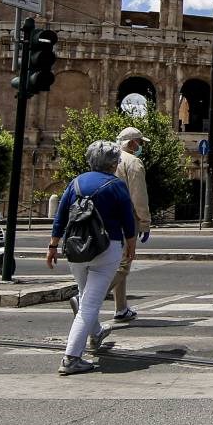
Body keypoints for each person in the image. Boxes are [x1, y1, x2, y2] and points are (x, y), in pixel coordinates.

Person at [47, 140, 136, 376]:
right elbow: (128, 221)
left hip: (75, 250)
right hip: (106, 250)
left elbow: (60, 217)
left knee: (86, 297)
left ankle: (96, 333)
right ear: (113, 163)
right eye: (117, 160)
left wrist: (52, 246)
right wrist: (131, 246)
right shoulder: (116, 185)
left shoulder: (75, 182)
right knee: (89, 306)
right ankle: (71, 358)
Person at [109, 126, 151, 322]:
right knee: (124, 264)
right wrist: (144, 222)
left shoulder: (110, 159)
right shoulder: (133, 162)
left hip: (106, 216)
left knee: (116, 262)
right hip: (126, 218)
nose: (141, 146)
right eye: (140, 142)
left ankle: (121, 308)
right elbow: (138, 196)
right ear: (132, 143)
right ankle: (87, 299)